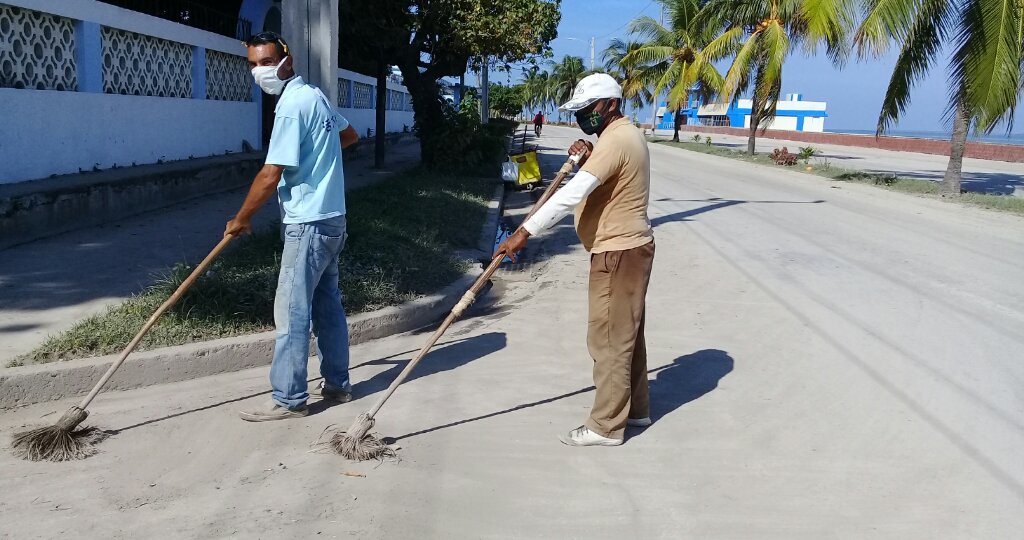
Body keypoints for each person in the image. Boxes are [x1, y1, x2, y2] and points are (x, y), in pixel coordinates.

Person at [497, 74, 654, 446]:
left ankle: (605, 426)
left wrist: (524, 232)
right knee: (626, 334)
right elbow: (600, 173)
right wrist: (587, 154)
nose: (583, 116)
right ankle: (636, 410)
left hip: (619, 252)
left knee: (608, 340)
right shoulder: (617, 137)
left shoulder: (617, 140)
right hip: (623, 249)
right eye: (580, 111)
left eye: (588, 109)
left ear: (610, 105)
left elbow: (573, 194)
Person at [226, 31, 360, 422]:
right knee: (326, 305)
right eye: (253, 64)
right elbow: (347, 136)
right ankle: (337, 385)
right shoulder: (314, 96)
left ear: (288, 60)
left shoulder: (289, 107)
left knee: (291, 311)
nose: (260, 71)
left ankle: (289, 399)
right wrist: (318, 164)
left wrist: (242, 217)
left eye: (266, 62)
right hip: (332, 219)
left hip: (308, 225)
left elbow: (270, 174)